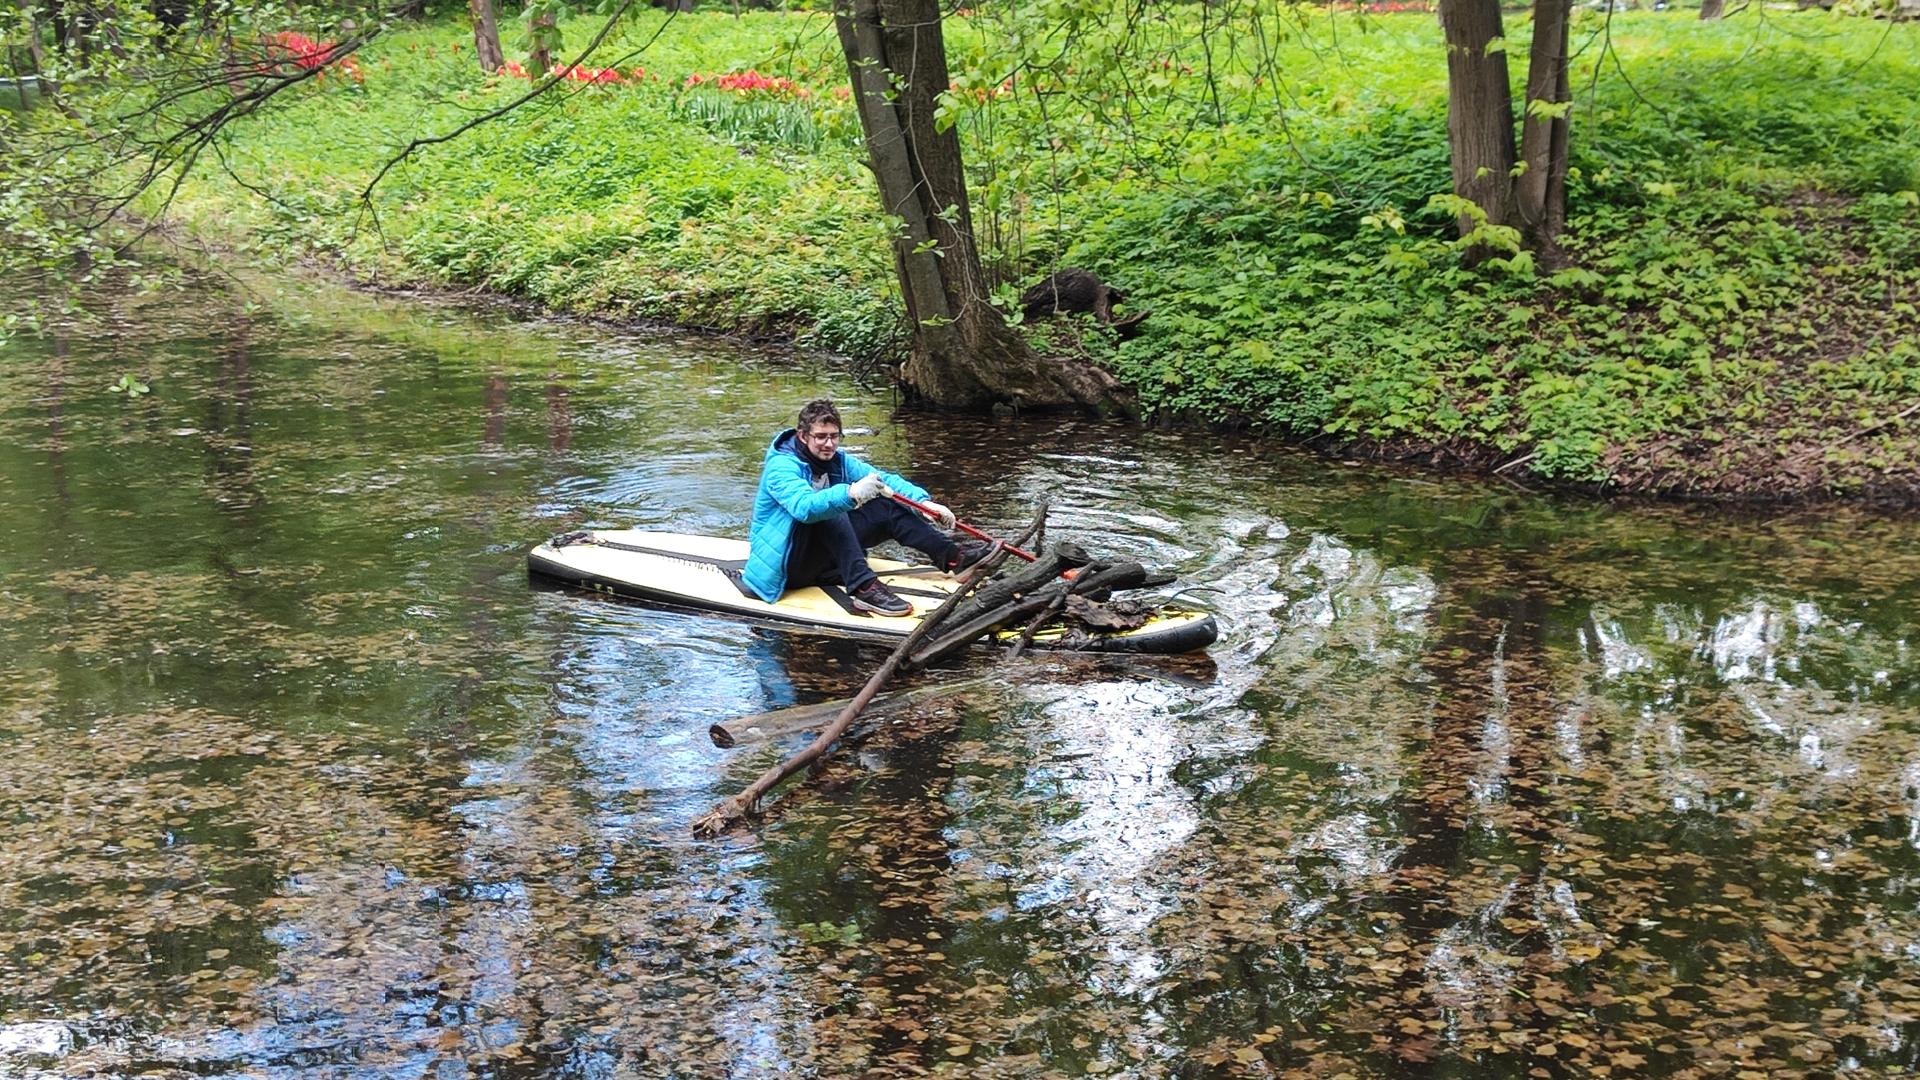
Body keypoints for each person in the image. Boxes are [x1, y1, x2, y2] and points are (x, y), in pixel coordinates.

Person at [742, 399, 989, 616]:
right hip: (786, 569)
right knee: (829, 510)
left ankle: (955, 559)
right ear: (803, 436)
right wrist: (850, 493)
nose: (828, 444)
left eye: (834, 436)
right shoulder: (781, 467)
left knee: (885, 504)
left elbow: (884, 480)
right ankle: (863, 588)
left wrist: (923, 503)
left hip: (822, 562)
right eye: (820, 437)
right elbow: (804, 507)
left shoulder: (838, 461)